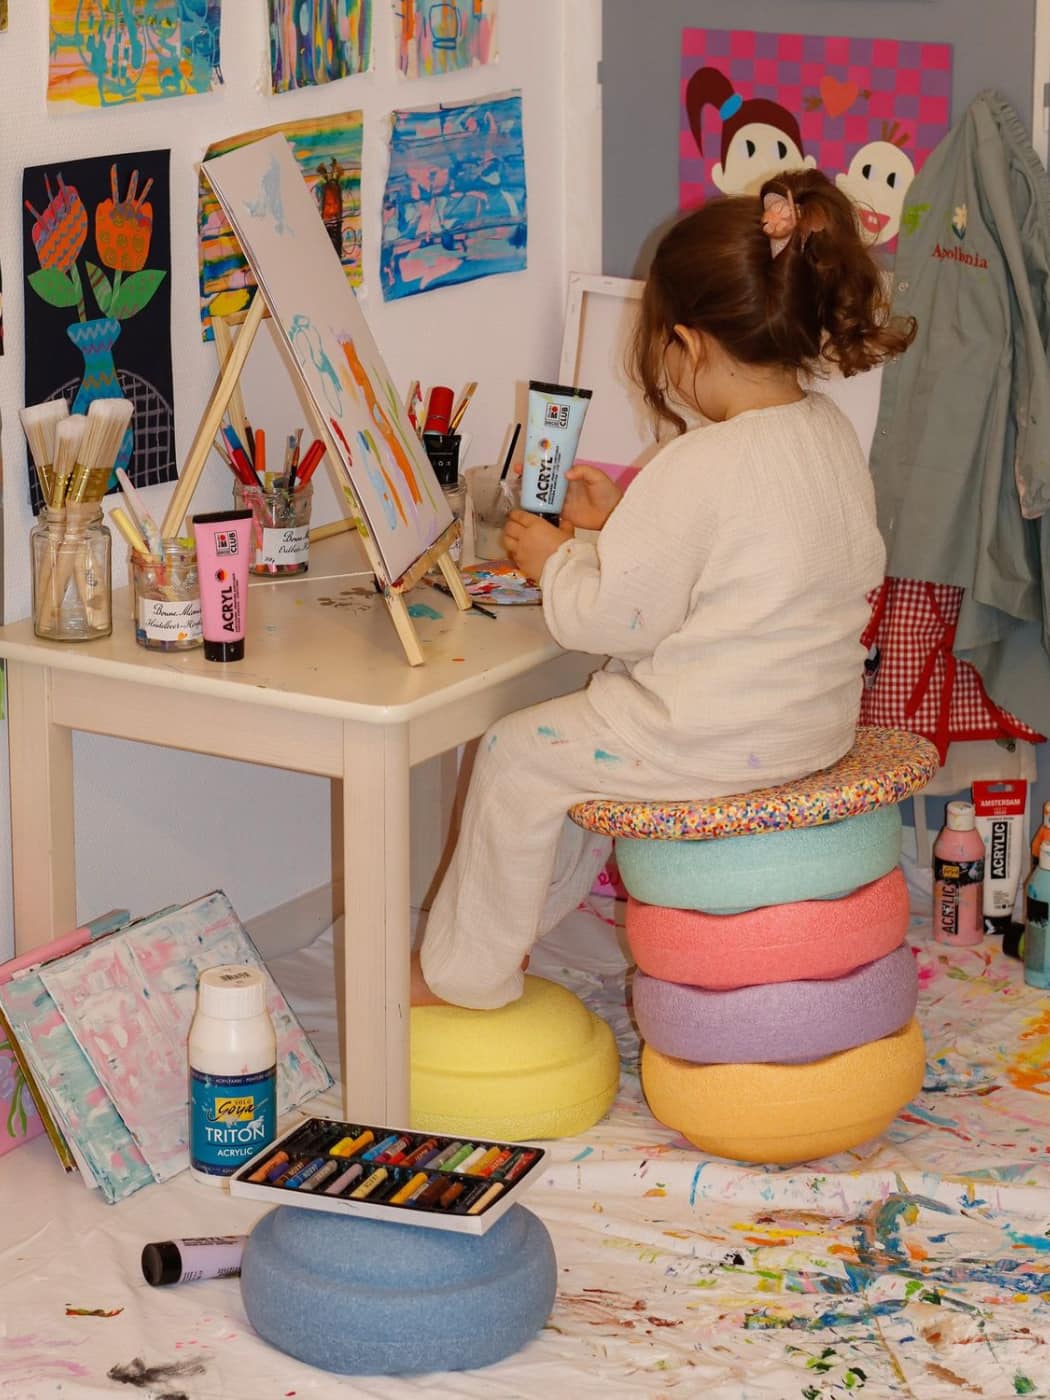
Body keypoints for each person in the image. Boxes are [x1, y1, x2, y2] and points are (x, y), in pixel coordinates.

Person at [412, 168, 916, 1010]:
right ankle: (522, 925)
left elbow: (609, 622)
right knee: (571, 745)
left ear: (689, 343)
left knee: (515, 754)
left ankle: (463, 977)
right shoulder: (826, 432)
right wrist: (616, 525)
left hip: (710, 739)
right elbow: (748, 570)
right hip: (811, 725)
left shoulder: (698, 461)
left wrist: (557, 561)